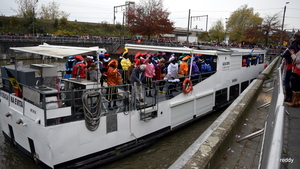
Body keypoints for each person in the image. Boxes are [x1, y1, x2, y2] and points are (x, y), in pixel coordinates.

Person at [288, 39, 300, 107]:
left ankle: (295, 102)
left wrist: (292, 54)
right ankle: (297, 101)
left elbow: (297, 60)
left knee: (295, 87)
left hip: (297, 71)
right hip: (297, 70)